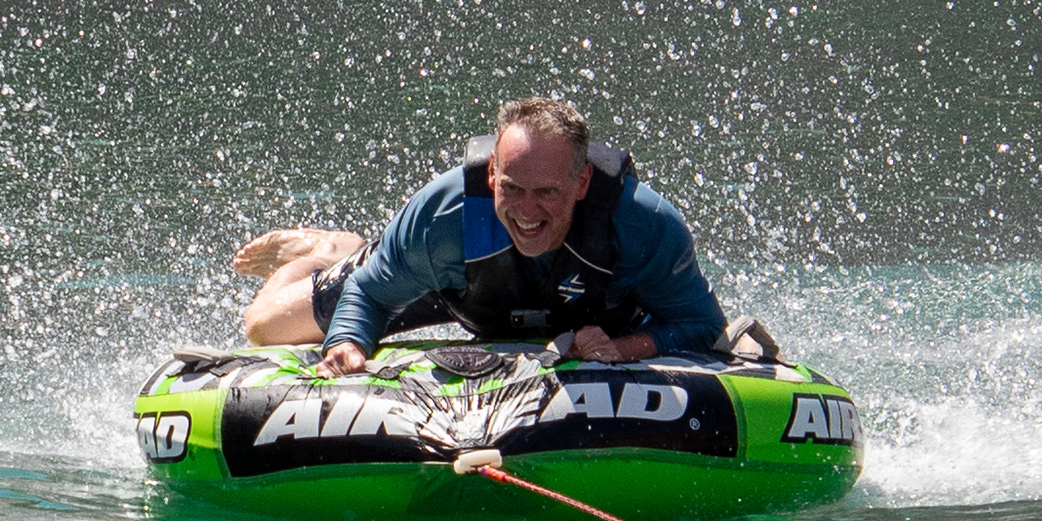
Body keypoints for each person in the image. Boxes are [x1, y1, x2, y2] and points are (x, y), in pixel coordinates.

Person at [235, 96, 727, 372]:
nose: (528, 212)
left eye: (547, 194)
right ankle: (326, 248)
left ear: (582, 183)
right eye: (512, 188)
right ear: (491, 174)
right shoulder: (443, 218)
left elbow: (702, 325)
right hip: (453, 289)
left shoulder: (644, 226)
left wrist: (624, 348)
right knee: (265, 327)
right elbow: (368, 294)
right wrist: (347, 341)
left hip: (595, 307)